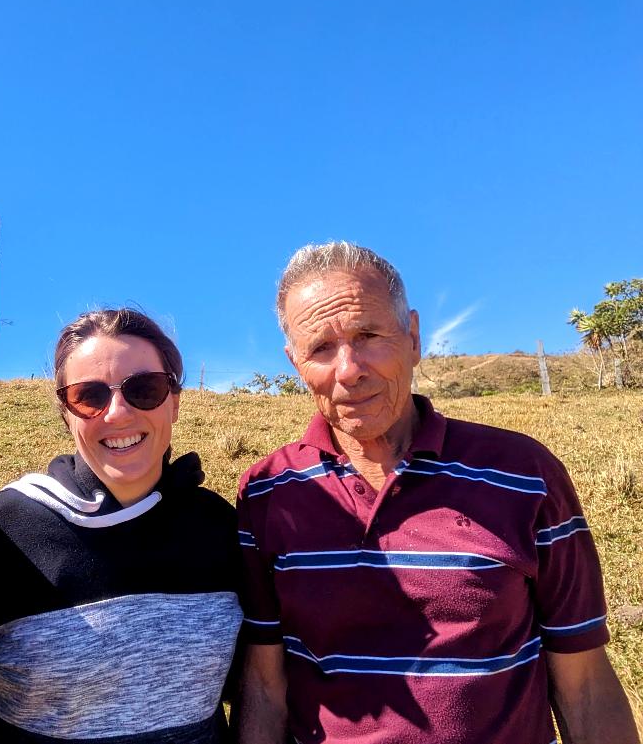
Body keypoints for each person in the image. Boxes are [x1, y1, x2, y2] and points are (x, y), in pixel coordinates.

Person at [236, 242, 639, 744]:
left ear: (413, 337)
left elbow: (583, 683)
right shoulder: (268, 491)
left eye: (369, 335)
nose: (349, 369)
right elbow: (265, 683)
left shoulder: (526, 474)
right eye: (320, 347)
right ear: (295, 362)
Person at [0, 308, 242, 743]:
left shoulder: (220, 527)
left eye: (145, 389)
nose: (117, 413)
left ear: (176, 402)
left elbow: (259, 685)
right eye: (90, 396)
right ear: (66, 413)